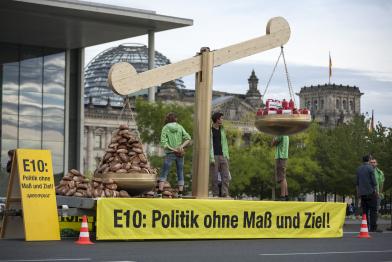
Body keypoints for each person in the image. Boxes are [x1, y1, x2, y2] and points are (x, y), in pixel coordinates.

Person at [158, 112, 192, 198]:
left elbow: (163, 143)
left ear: (168, 119)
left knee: (164, 172)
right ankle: (180, 193)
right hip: (180, 154)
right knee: (180, 172)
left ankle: (159, 192)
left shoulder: (165, 128)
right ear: (175, 119)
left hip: (170, 153)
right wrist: (181, 147)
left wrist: (173, 149)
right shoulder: (180, 127)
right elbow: (188, 138)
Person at [356, 155, 382, 232]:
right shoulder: (370, 169)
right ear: (369, 160)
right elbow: (374, 182)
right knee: (373, 210)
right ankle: (373, 227)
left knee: (365, 211)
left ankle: (365, 227)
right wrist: (376, 192)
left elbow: (357, 183)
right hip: (371, 193)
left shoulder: (358, 169)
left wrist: (358, 193)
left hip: (362, 194)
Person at [210, 112, 230, 197]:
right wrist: (211, 157)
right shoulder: (210, 130)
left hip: (223, 155)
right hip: (214, 155)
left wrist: (227, 155)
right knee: (214, 177)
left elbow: (225, 143)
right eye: (221, 118)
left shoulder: (222, 129)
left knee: (225, 175)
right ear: (217, 119)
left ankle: (225, 193)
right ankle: (215, 194)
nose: (222, 120)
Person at [272, 135, 289, 201]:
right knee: (284, 176)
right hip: (285, 157)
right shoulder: (287, 135)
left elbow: (273, 143)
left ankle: (282, 196)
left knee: (281, 177)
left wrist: (273, 136)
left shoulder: (281, 134)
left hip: (280, 157)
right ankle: (286, 195)